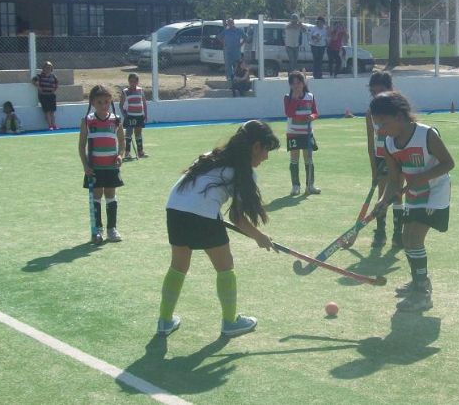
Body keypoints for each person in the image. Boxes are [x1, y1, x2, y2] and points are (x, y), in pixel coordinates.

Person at [156, 120, 280, 338]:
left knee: (178, 266)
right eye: (266, 150)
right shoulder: (245, 172)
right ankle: (230, 322)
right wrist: (259, 236)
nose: (266, 157)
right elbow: (238, 218)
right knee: (225, 267)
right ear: (256, 146)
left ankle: (164, 321)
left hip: (174, 209)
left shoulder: (210, 156)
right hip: (201, 214)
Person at [371, 91, 454, 312]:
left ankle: (422, 293)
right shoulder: (389, 143)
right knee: (408, 239)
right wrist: (382, 201)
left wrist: (421, 178)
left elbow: (448, 163)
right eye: (376, 124)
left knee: (414, 238)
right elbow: (394, 180)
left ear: (399, 116)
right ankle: (419, 281)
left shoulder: (426, 135)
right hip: (414, 194)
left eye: (383, 123)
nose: (380, 130)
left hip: (435, 191)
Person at [78, 85, 125, 244]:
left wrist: (120, 155)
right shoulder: (87, 121)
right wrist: (85, 165)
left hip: (111, 167)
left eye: (106, 102)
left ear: (110, 101)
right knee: (96, 197)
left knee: (110, 195)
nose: (103, 105)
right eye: (99, 102)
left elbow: (122, 143)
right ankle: (97, 229)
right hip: (95, 168)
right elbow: (81, 146)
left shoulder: (116, 120)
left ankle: (112, 229)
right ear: (92, 102)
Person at [365, 71, 404, 248]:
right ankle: (380, 232)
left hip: (398, 157)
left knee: (396, 195)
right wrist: (374, 169)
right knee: (382, 194)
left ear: (390, 89)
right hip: (381, 157)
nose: (377, 95)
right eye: (373, 92)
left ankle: (398, 233)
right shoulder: (370, 113)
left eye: (380, 91)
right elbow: (370, 143)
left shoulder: (399, 110)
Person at [284, 71, 320, 195]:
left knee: (308, 159)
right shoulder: (287, 97)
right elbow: (289, 113)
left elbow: (315, 112)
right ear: (290, 85)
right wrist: (295, 99)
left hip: (307, 133)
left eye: (298, 83)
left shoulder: (310, 96)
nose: (296, 86)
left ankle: (310, 185)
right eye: (293, 83)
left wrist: (312, 116)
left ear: (303, 83)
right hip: (293, 133)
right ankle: (295, 186)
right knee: (294, 159)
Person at [120, 73, 149, 160]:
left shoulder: (140, 90)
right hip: (130, 116)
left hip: (139, 116)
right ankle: (127, 153)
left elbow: (144, 103)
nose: (133, 83)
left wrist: (145, 114)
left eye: (135, 81)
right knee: (128, 133)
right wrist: (124, 114)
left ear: (137, 82)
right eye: (131, 81)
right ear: (128, 81)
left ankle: (140, 152)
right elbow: (121, 105)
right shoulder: (125, 92)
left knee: (138, 133)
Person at [32, 61, 59, 130]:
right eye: (46, 67)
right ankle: (50, 126)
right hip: (44, 96)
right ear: (43, 68)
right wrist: (38, 87)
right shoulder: (39, 76)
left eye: (50, 67)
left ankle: (54, 125)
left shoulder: (53, 76)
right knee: (47, 111)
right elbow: (33, 81)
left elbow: (56, 84)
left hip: (51, 95)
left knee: (52, 111)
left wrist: (54, 89)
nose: (48, 69)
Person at [221, 18, 246, 83]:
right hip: (228, 51)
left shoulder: (239, 30)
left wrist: (241, 44)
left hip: (236, 51)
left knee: (237, 65)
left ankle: (237, 77)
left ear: (233, 23)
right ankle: (229, 77)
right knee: (228, 65)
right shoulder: (226, 31)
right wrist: (224, 43)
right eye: (228, 23)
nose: (230, 24)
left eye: (231, 22)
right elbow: (219, 37)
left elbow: (245, 38)